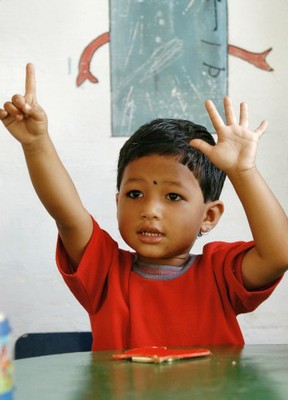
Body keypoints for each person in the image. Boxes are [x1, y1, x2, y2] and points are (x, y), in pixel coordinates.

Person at [1, 64, 288, 351]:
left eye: (173, 197)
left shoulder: (221, 274)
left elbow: (279, 253)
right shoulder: (104, 272)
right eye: (135, 193)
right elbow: (68, 216)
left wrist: (243, 172)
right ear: (117, 203)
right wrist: (36, 144)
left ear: (209, 216)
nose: (150, 209)